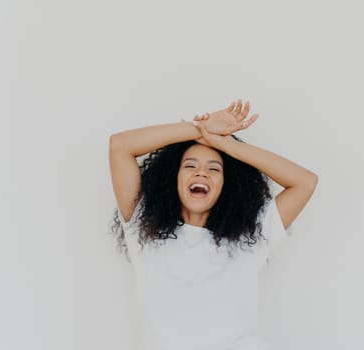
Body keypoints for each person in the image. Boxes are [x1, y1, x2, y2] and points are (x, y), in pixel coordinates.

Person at [108, 99, 318, 350]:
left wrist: (225, 144)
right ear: (172, 179)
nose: (202, 174)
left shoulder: (249, 238)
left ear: (225, 185)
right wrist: (203, 128)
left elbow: (305, 181)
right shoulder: (144, 232)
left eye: (214, 169)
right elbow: (120, 146)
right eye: (190, 166)